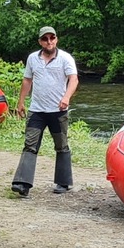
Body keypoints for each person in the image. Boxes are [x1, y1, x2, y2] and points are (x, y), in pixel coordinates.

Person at [12, 26, 78, 196]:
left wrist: (66, 97)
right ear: (40, 41)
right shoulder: (33, 58)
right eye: (45, 39)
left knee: (61, 145)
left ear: (56, 39)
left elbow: (73, 79)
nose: (49, 42)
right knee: (30, 145)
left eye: (52, 38)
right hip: (37, 111)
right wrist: (21, 102)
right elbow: (27, 80)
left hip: (58, 111)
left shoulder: (65, 58)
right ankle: (22, 183)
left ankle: (63, 183)